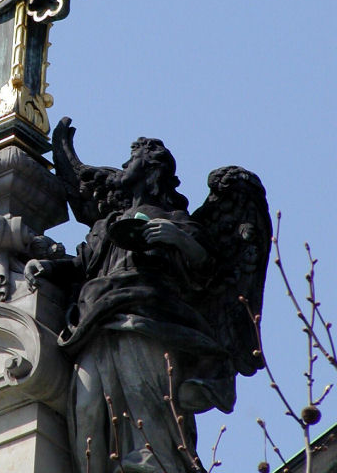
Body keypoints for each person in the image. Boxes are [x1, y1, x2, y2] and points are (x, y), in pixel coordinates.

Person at [26, 138, 236, 473]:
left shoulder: (175, 220)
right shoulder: (107, 225)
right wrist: (48, 267)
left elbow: (209, 273)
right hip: (94, 323)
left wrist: (178, 239)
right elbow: (82, 265)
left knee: (148, 409)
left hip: (144, 320)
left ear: (152, 169)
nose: (125, 165)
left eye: (133, 158)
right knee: (87, 409)